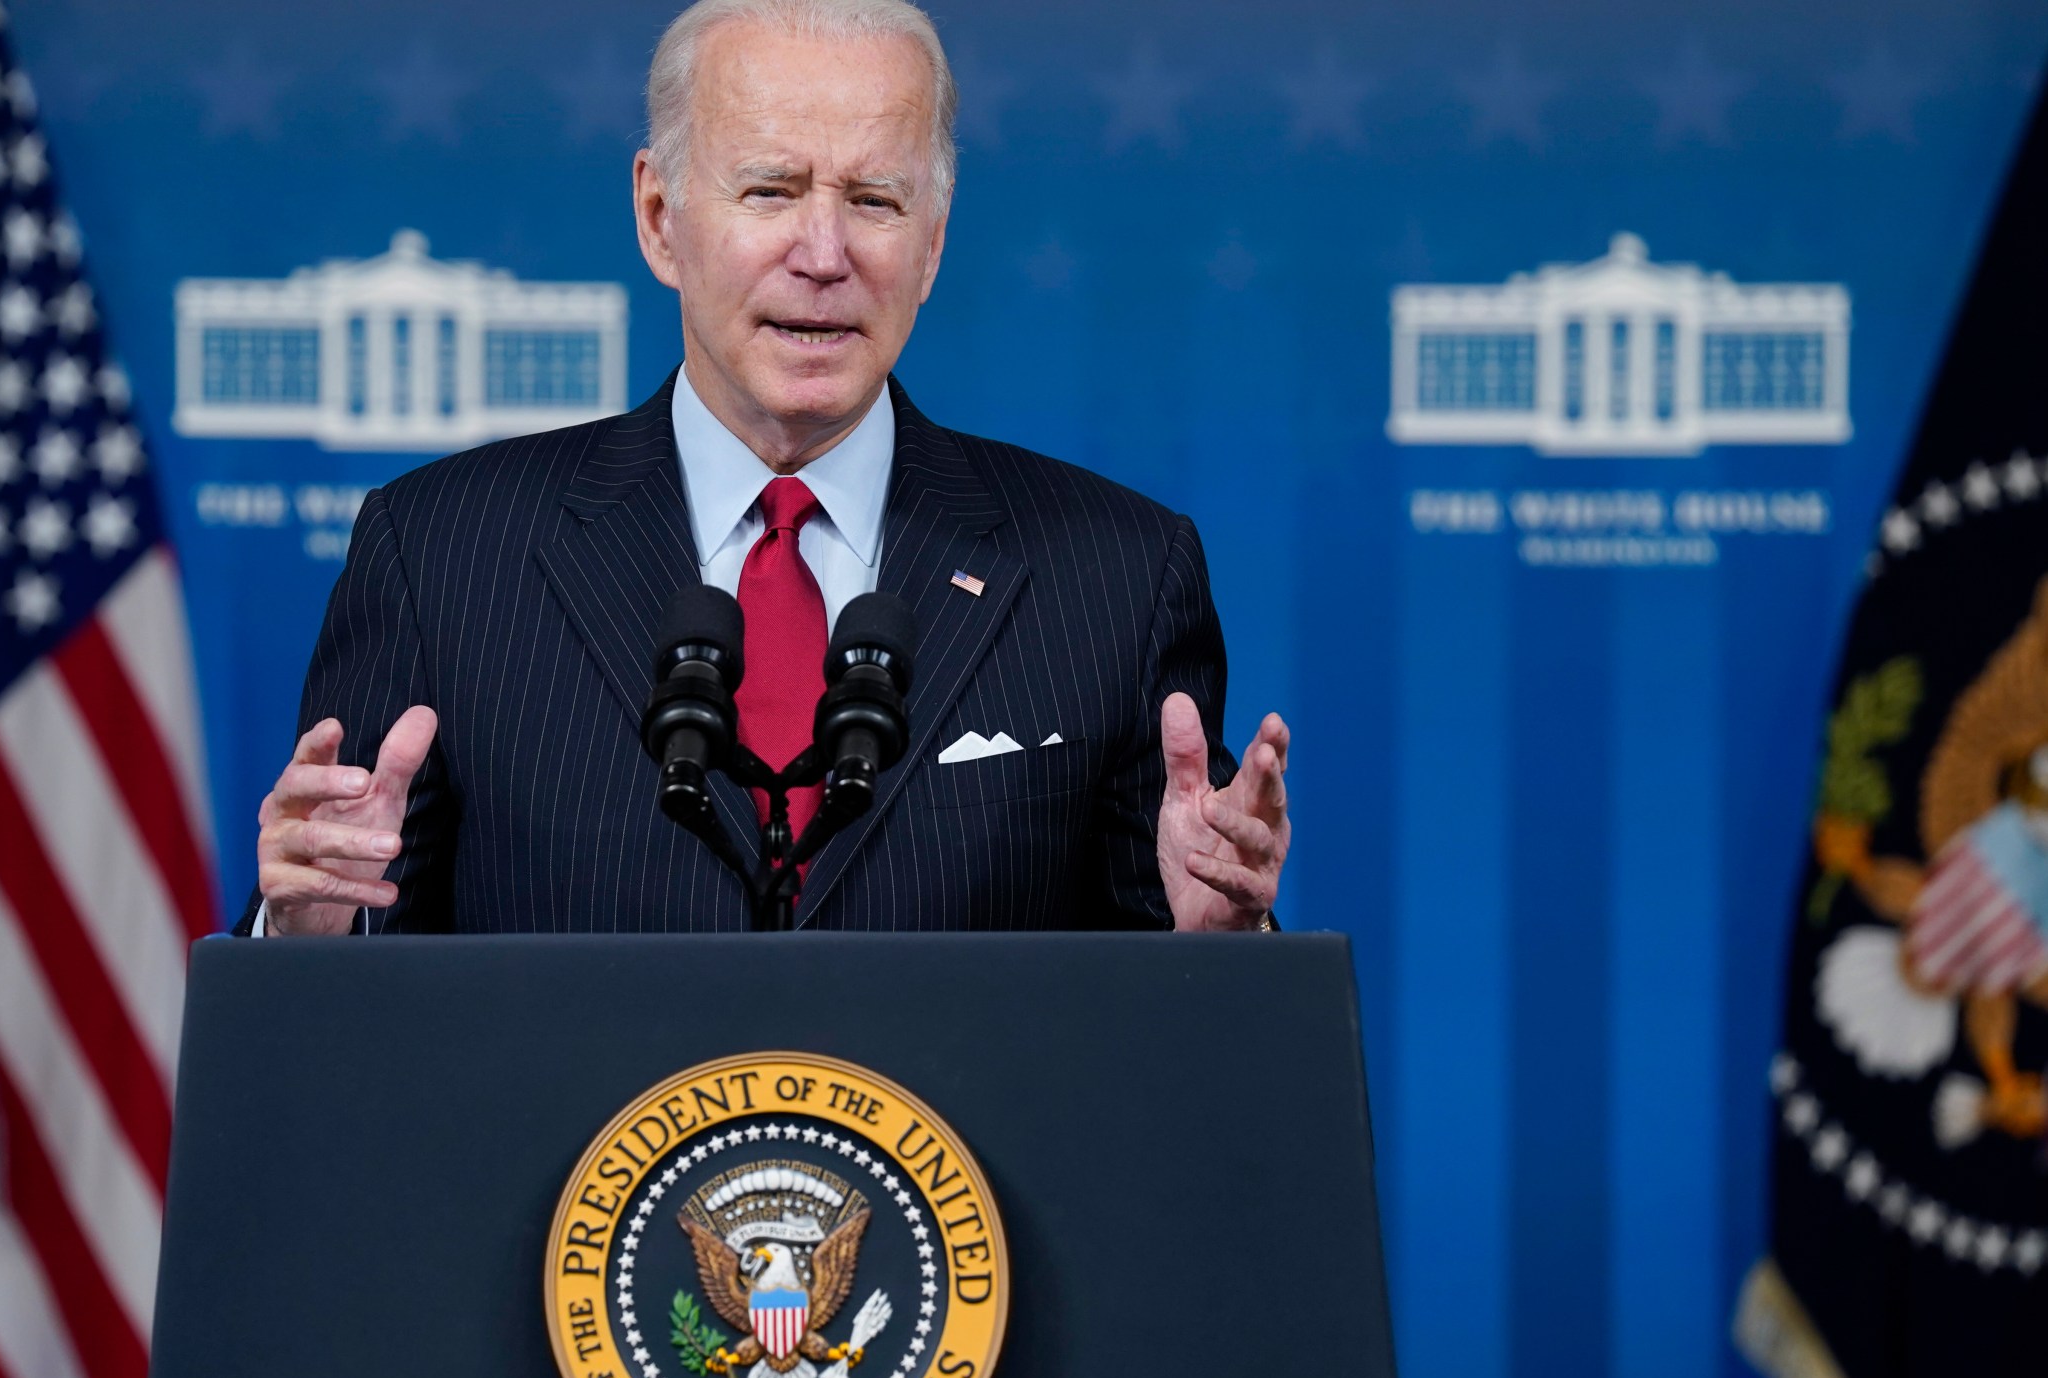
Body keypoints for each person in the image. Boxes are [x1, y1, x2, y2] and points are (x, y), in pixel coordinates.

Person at [242, 0, 1290, 935]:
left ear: (931, 242)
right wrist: (308, 936)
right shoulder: (441, 557)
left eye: (874, 201)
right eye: (770, 190)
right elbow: (345, 1010)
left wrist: (1217, 953)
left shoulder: (1115, 577)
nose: (824, 254)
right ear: (660, 219)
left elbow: (1178, 1040)